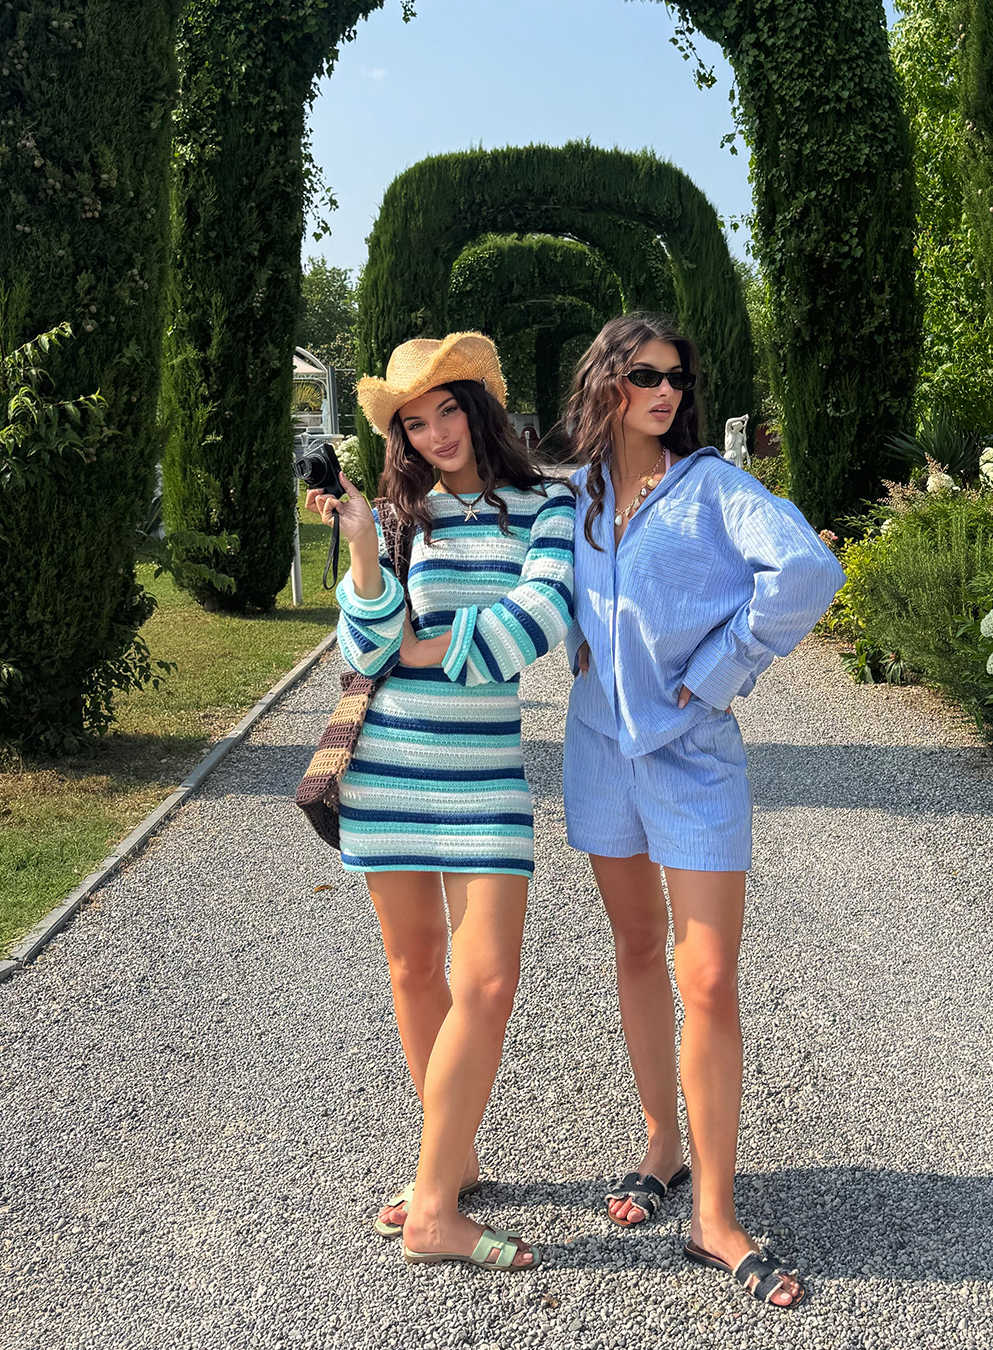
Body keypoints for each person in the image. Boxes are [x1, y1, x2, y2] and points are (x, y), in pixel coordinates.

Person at [561, 312, 844, 1308]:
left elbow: (809, 570)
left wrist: (721, 669)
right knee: (637, 947)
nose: (665, 391)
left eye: (676, 377)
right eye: (644, 375)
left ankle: (715, 1217)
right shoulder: (581, 497)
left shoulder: (714, 488)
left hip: (694, 760)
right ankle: (660, 1144)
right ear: (605, 382)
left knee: (710, 978)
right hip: (599, 752)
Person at [307, 332, 574, 1271]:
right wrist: (363, 551)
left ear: (478, 407)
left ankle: (428, 1206)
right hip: (391, 765)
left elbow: (545, 614)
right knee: (416, 969)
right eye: (414, 424)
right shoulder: (396, 513)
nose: (434, 434)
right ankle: (446, 1172)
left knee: (488, 982)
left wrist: (429, 646)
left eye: (446, 410)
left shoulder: (546, 503)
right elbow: (364, 648)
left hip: (486, 773)